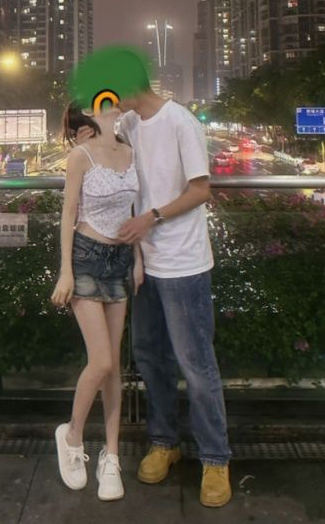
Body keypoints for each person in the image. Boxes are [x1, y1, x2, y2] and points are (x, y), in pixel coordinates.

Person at [76, 53, 232, 508]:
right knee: (149, 358)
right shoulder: (129, 125)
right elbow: (102, 153)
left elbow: (200, 189)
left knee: (196, 364)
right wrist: (87, 137)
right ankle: (164, 442)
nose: (109, 103)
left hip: (184, 263)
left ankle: (215, 457)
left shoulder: (181, 121)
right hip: (142, 264)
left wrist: (152, 217)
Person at [51, 100, 143, 501]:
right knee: (101, 361)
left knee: (113, 369)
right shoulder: (80, 156)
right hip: (87, 258)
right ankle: (72, 436)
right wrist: (66, 271)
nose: (112, 103)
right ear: (89, 112)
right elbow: (68, 214)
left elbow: (134, 209)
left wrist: (137, 259)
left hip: (120, 260)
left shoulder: (129, 150)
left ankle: (111, 456)